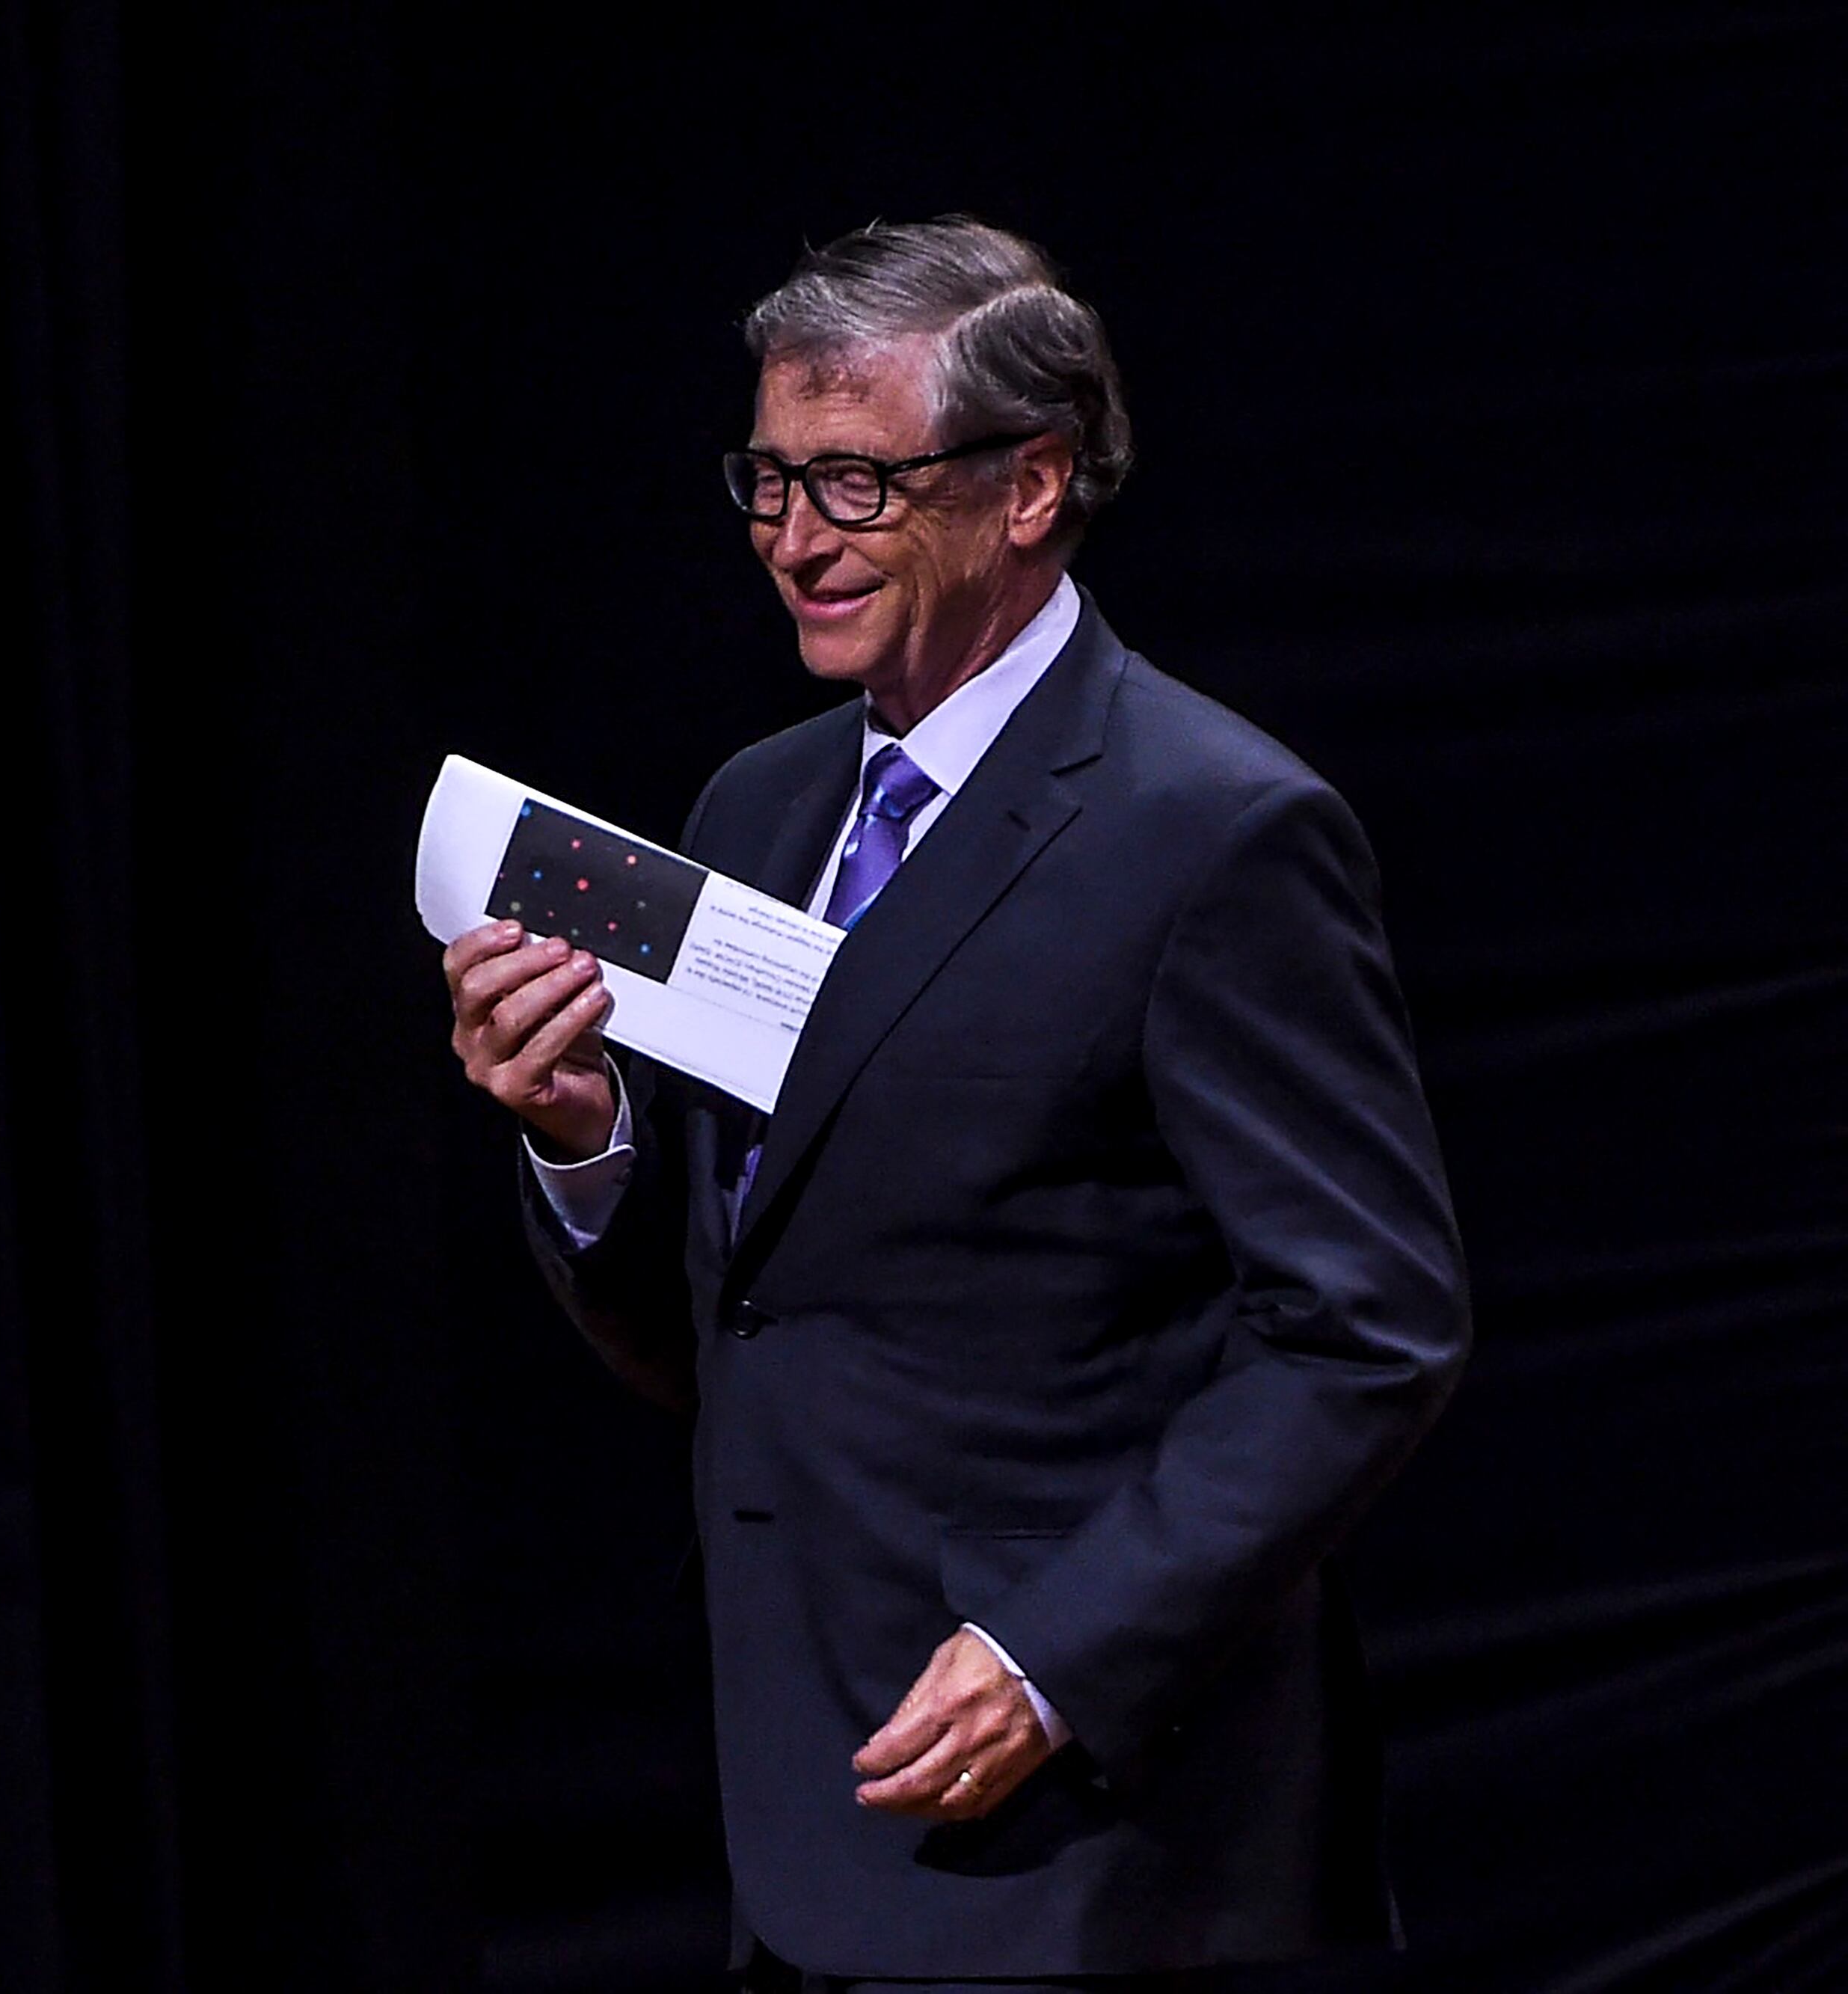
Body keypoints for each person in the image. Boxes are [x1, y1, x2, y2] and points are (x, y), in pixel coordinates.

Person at [440, 218, 1472, 1991]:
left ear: (1029, 485)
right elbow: (746, 1307)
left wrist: (1056, 1654)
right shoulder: (755, 810)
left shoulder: (1210, 830)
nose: (793, 539)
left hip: (1079, 1836)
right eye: (768, 480)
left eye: (854, 481)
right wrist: (584, 1134)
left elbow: (1365, 1327)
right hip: (805, 1794)